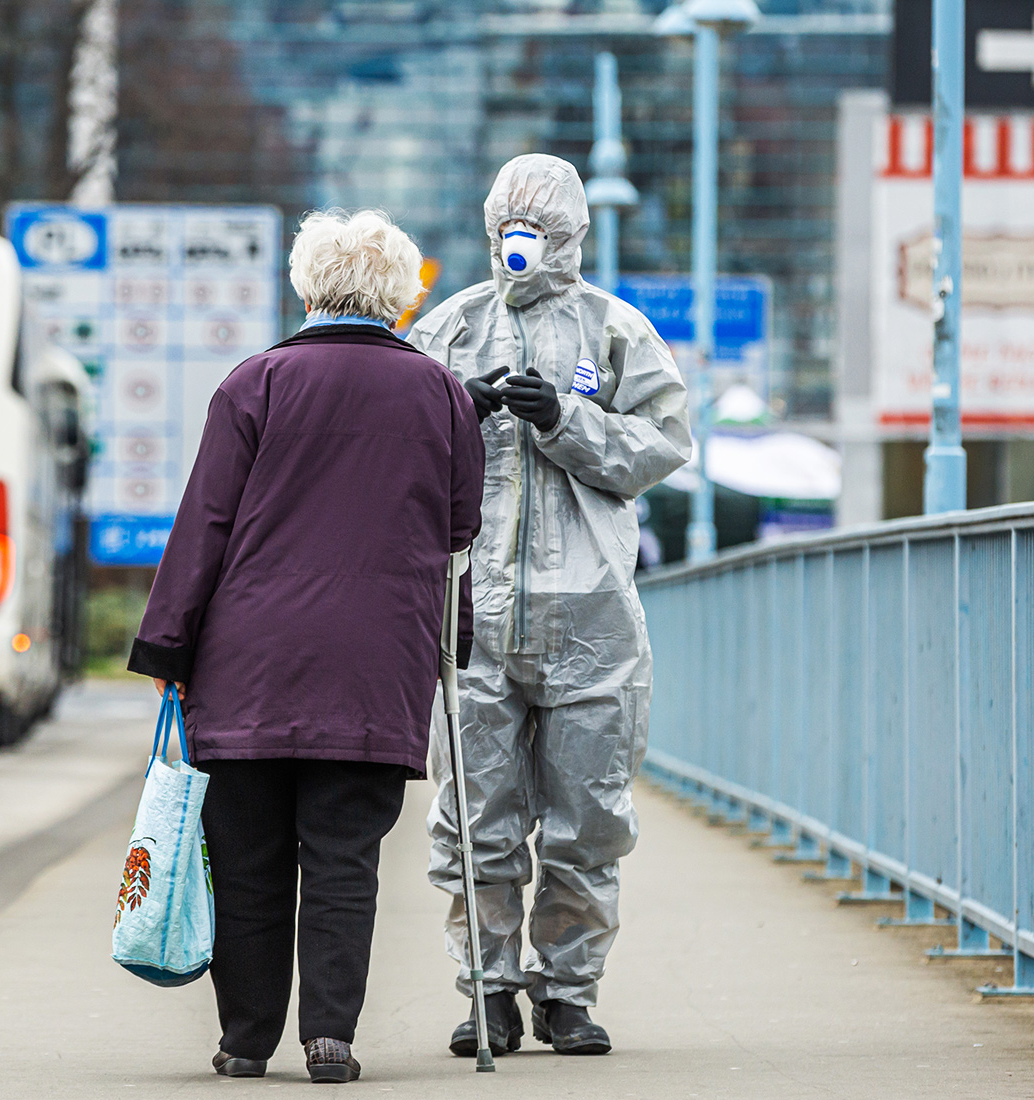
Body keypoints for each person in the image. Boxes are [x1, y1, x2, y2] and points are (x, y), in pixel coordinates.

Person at [128, 209, 485, 1084]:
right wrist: (454, 647)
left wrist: (169, 646)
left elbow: (204, 524)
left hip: (246, 666)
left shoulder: (255, 383)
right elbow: (461, 531)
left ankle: (245, 1041)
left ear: (307, 284)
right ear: (402, 295)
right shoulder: (440, 394)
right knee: (342, 858)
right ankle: (330, 1037)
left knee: (247, 859)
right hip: (373, 670)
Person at [407, 154, 692, 1057]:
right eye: (507, 232)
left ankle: (568, 993)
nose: (521, 245)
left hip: (593, 620)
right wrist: (461, 413)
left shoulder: (616, 331)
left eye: (537, 231)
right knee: (475, 820)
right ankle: (488, 990)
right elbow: (400, 457)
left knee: (588, 818)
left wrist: (565, 424)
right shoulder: (448, 332)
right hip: (476, 617)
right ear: (492, 232)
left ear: (571, 236)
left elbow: (663, 443)